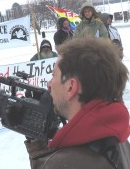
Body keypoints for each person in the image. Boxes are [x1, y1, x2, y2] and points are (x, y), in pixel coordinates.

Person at [24, 37, 130, 169]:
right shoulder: (118, 138)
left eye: (53, 75)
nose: (49, 84)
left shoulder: (60, 165)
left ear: (71, 87)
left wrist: (40, 154)